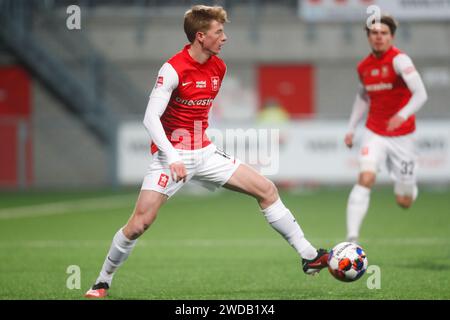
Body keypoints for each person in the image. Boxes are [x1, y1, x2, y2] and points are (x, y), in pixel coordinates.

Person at [85, 5, 328, 298]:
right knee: (139, 224)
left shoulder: (218, 67)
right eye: (219, 32)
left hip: (205, 153)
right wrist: (173, 157)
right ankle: (102, 281)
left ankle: (309, 255)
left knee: (266, 189)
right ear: (200, 36)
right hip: (170, 157)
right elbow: (150, 118)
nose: (224, 38)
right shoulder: (172, 69)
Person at [344, 15, 428, 244]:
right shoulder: (364, 66)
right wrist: (351, 128)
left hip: (403, 137)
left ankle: (408, 185)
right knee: (366, 177)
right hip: (375, 132)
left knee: (404, 201)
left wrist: (401, 115)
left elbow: (421, 94)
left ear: (391, 37)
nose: (379, 37)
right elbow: (362, 97)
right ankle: (352, 238)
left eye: (384, 33)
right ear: (368, 36)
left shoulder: (400, 60)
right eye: (374, 33)